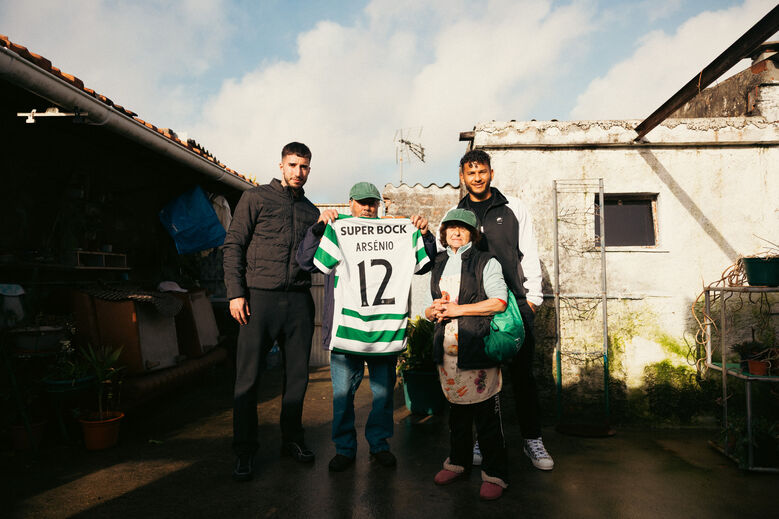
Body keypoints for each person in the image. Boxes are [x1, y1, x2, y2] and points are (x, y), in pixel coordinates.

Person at [296, 182, 437, 472]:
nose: (367, 208)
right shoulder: (337, 229)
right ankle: (345, 448)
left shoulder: (399, 232)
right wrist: (320, 228)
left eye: (372, 202)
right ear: (351, 204)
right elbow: (306, 262)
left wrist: (424, 234)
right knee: (342, 396)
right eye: (361, 202)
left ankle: (379, 445)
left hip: (383, 329)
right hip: (346, 328)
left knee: (383, 394)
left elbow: (424, 265)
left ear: (379, 206)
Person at [223, 142, 321, 481]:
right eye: (292, 165)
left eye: (304, 166)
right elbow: (233, 244)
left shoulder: (311, 212)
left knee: (297, 377)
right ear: (281, 166)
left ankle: (292, 440)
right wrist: (236, 293)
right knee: (247, 378)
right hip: (258, 299)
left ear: (309, 169)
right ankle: (245, 450)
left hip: (297, 300)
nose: (298, 172)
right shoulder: (256, 198)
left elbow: (318, 259)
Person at [451, 149, 553, 471]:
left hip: (515, 305)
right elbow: (453, 259)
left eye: (482, 172)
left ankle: (532, 439)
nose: (477, 177)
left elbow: (530, 252)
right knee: (483, 377)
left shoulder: (513, 208)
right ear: (463, 177)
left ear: (491, 174)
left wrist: (533, 299)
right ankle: (485, 438)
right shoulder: (457, 212)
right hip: (476, 308)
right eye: (471, 172)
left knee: (523, 377)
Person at [425, 208, 510, 501]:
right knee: (457, 413)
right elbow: (433, 305)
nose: (456, 233)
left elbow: (499, 302)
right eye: (451, 228)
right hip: (448, 351)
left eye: (463, 228)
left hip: (477, 346)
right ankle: (458, 462)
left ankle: (495, 473)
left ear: (473, 234)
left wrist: (458, 310)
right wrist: (432, 310)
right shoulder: (437, 263)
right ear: (444, 232)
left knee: (486, 414)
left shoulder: (486, 262)